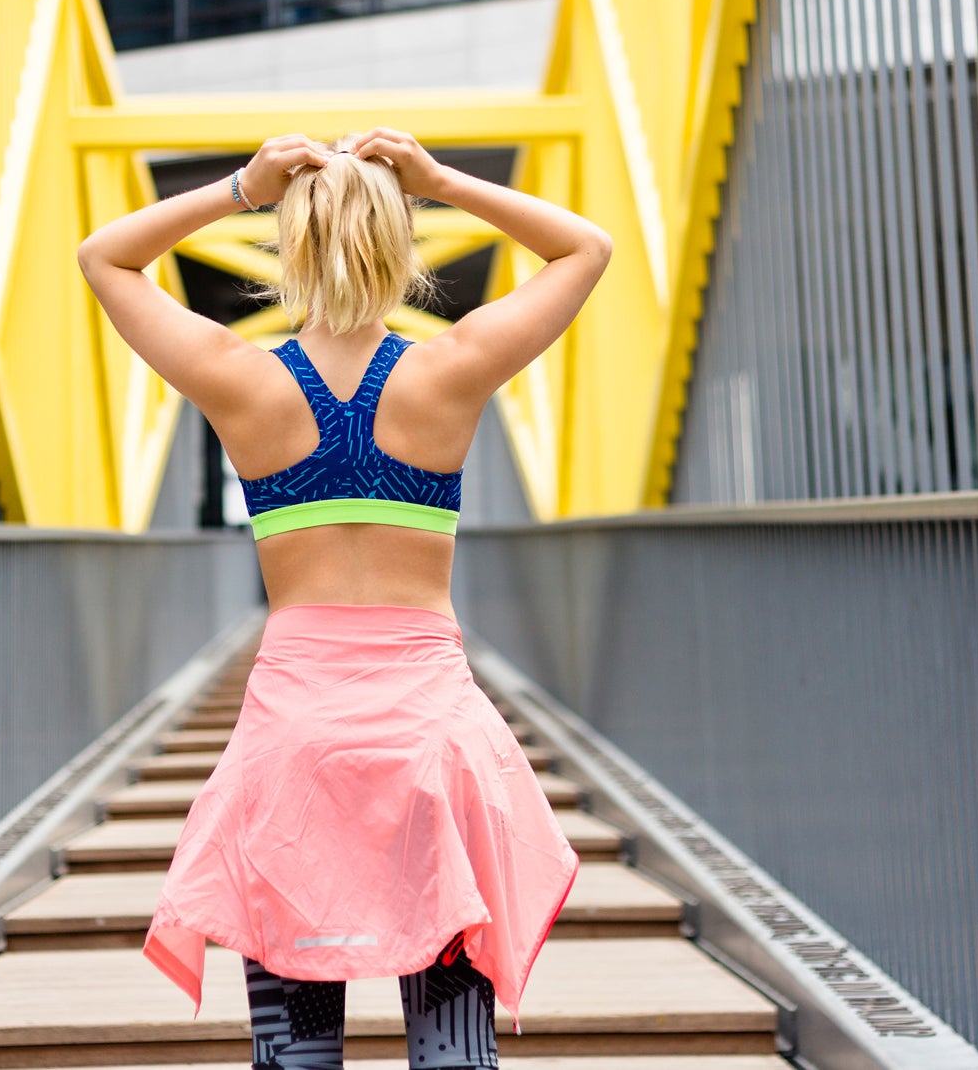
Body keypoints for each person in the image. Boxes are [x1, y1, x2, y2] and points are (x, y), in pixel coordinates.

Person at [77, 128, 613, 1069]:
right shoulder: (452, 367)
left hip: (295, 743)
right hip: (428, 741)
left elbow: (105, 257)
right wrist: (441, 179)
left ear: (291, 249)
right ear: (402, 246)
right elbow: (585, 247)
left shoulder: (242, 381)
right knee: (454, 1052)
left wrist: (240, 187)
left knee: (298, 1056)